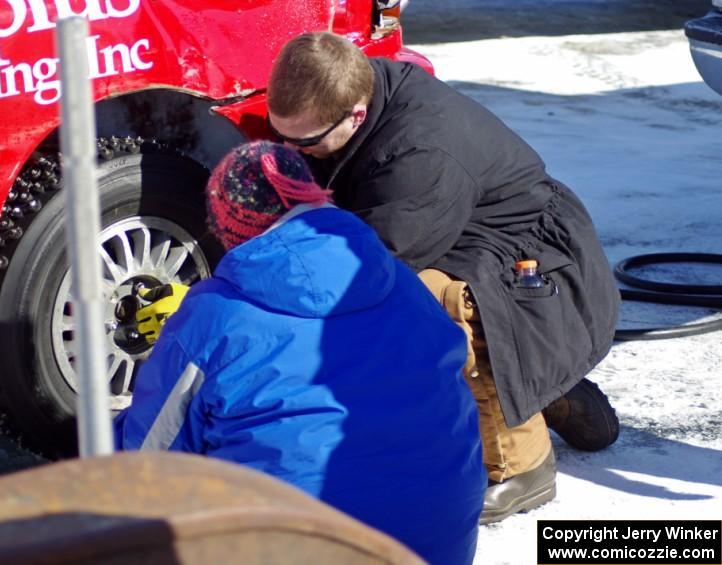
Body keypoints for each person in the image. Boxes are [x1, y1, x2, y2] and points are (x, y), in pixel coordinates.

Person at [266, 32, 621, 523]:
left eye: (304, 141)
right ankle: (540, 385)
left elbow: (371, 269)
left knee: (433, 303)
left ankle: (522, 469)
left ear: (356, 114)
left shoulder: (418, 156)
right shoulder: (357, 88)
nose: (289, 149)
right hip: (472, 235)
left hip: (539, 267)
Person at [115, 141, 486, 564]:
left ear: (230, 227)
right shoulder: (401, 283)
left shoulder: (210, 316)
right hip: (437, 545)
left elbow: (148, 465)